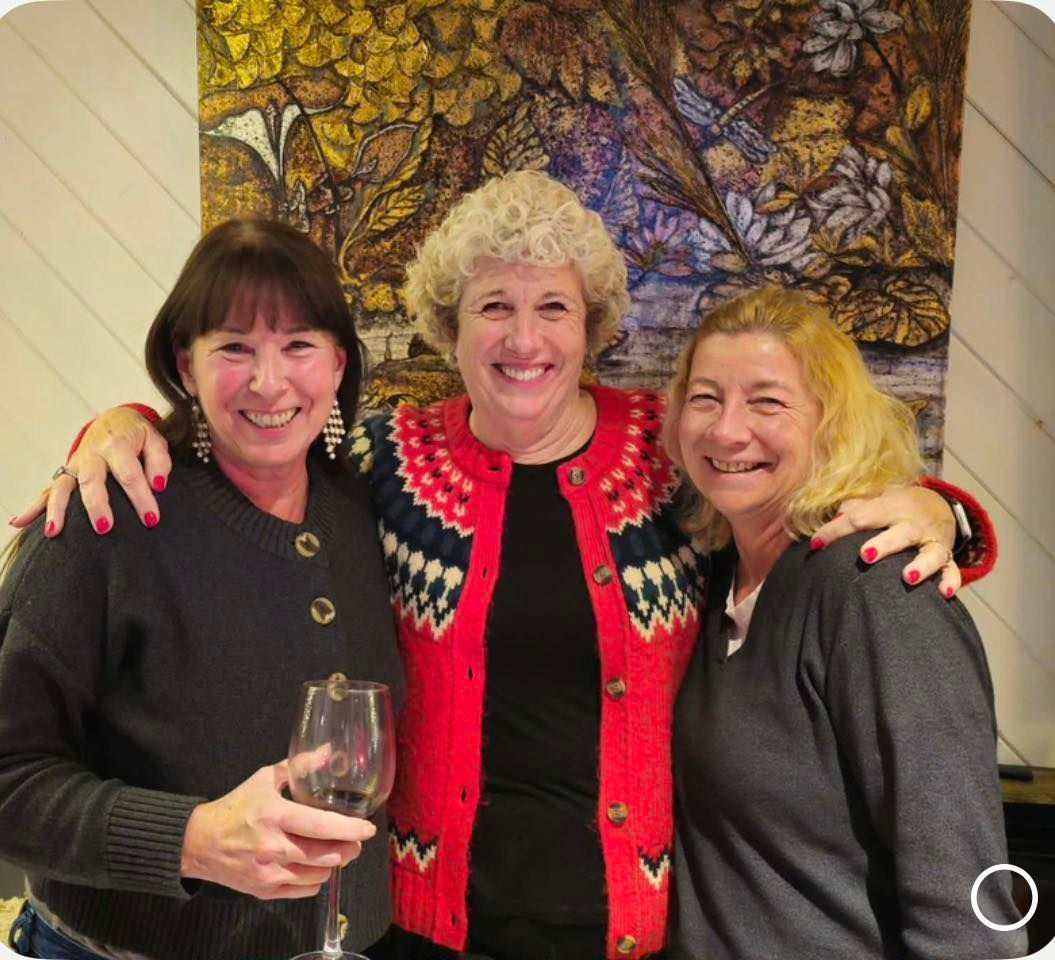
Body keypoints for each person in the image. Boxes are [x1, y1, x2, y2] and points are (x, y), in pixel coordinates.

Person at [16, 172, 993, 960]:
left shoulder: (671, 447)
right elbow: (247, 453)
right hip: (419, 927)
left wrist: (935, 510)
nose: (522, 338)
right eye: (492, 305)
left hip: (629, 929)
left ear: (590, 326)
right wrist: (122, 426)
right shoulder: (383, 459)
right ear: (449, 326)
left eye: (551, 308)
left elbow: (792, 488)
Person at [0, 219, 403, 960]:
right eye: (234, 347)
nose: (269, 381)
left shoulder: (362, 509)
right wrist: (189, 839)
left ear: (340, 363)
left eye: (299, 345)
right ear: (185, 365)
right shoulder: (105, 518)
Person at [663, 286, 1025, 958]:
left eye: (766, 401)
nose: (725, 429)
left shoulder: (875, 589)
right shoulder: (718, 575)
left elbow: (965, 894)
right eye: (705, 396)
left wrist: (944, 514)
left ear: (832, 423)